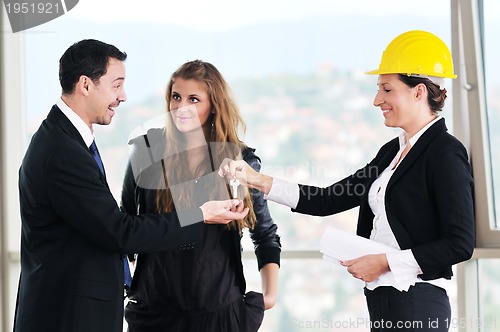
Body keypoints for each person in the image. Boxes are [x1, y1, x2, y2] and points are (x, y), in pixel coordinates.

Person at [220, 30, 475, 331]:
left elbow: (460, 243)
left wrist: (385, 262)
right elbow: (328, 199)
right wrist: (255, 179)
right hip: (383, 299)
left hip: (417, 300)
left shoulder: (445, 152)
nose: (377, 100)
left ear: (418, 92)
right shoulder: (392, 152)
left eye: (386, 89)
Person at [14, 40, 249, 332]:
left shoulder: (66, 139)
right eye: (116, 85)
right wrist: (200, 214)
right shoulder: (62, 152)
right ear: (86, 85)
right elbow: (122, 231)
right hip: (67, 316)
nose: (123, 97)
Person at [121, 60, 281, 332]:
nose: (181, 108)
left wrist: (269, 297)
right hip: (154, 315)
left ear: (214, 105)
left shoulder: (241, 161)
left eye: (194, 99)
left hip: (220, 316)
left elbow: (264, 234)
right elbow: (126, 224)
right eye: (176, 97)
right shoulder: (146, 149)